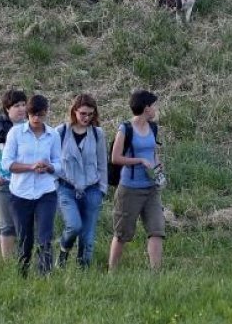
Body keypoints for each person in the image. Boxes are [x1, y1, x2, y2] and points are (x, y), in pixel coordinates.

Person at [2, 94, 61, 276]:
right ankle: (22, 274)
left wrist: (50, 167)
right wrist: (30, 167)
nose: (36, 119)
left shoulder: (53, 134)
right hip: (20, 193)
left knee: (45, 237)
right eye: (33, 114)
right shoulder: (15, 133)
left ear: (46, 113)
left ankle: (45, 276)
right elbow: (7, 164)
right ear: (28, 113)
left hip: (46, 192)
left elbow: (60, 164)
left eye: (40, 115)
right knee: (25, 239)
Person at [109, 90, 166, 270]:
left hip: (151, 188)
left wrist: (158, 167)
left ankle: (156, 274)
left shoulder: (153, 127)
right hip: (130, 188)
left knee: (157, 230)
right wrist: (139, 161)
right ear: (146, 107)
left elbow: (153, 152)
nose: (155, 108)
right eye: (153, 105)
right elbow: (115, 158)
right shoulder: (125, 129)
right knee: (122, 234)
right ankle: (112, 271)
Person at [55, 94, 108, 268]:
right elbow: (53, 161)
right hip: (66, 188)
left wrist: (102, 189)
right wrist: (56, 185)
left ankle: (83, 269)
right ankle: (63, 250)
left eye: (90, 114)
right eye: (83, 113)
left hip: (92, 188)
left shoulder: (98, 134)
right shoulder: (61, 132)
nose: (86, 118)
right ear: (74, 112)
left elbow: (102, 163)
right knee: (74, 225)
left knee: (88, 235)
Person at [0, 89, 28, 259]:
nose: (21, 109)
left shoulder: (31, 126)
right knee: (7, 225)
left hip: (26, 182)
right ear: (7, 108)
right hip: (4, 183)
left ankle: (26, 259)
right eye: (16, 106)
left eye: (24, 105)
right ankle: (8, 263)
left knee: (27, 223)